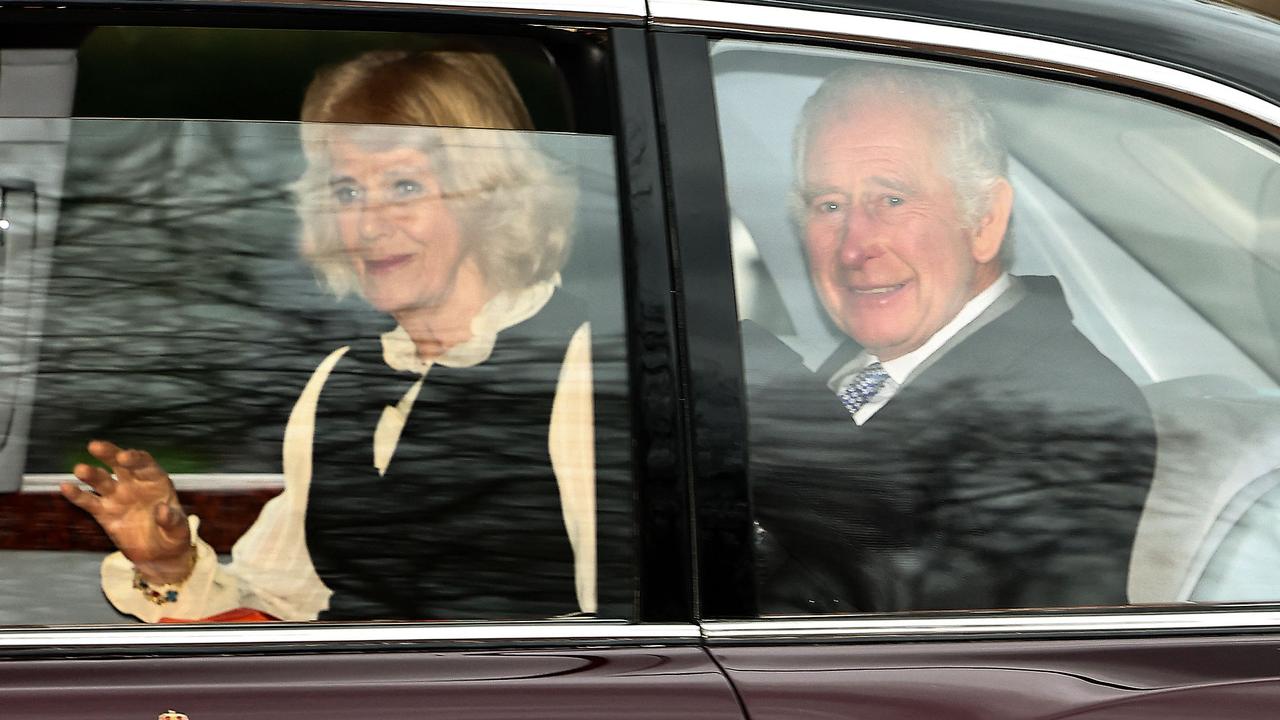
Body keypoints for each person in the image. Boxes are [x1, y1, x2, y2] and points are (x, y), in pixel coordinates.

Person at [59, 49, 600, 622]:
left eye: (404, 187)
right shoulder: (341, 379)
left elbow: (625, 651)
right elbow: (280, 601)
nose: (368, 225)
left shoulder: (587, 372)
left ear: (489, 195)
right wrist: (170, 566)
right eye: (346, 192)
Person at [747, 66, 1157, 613]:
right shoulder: (866, 367)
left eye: (891, 200)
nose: (854, 246)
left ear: (985, 219)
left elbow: (916, 631)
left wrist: (759, 400)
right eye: (830, 205)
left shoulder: (1067, 410)